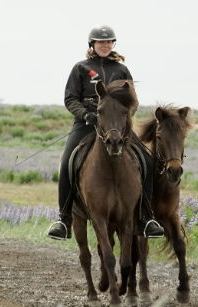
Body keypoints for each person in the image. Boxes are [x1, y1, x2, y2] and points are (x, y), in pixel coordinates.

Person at [47, 25, 164, 240]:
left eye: (109, 42)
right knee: (66, 164)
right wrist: (86, 114)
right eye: (101, 42)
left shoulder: (121, 70)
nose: (105, 45)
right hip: (87, 123)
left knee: (146, 160)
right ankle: (63, 220)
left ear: (113, 45)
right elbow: (70, 99)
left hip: (118, 126)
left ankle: (147, 218)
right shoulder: (80, 68)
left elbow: (133, 101)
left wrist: (122, 118)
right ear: (92, 44)